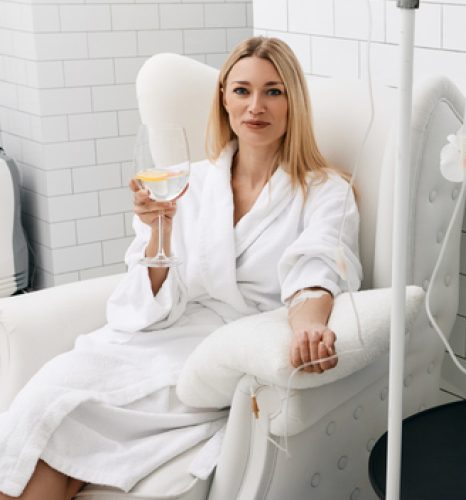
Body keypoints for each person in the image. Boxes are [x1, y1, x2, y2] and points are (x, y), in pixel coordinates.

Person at [0, 36, 362, 499]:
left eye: (274, 91)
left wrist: (309, 329)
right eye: (241, 90)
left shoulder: (324, 191)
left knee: (67, 431)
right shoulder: (190, 180)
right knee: (44, 409)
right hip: (146, 340)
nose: (255, 106)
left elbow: (316, 271)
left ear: (294, 103)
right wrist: (159, 232)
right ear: (223, 99)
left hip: (216, 354)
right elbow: (144, 302)